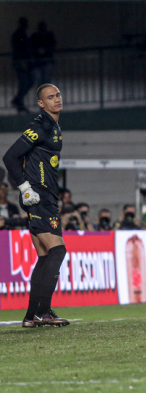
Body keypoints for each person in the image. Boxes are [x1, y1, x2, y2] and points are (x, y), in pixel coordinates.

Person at [2, 83, 69, 328]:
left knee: (44, 256)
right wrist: (24, 187)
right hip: (38, 195)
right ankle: (44, 313)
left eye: (58, 95)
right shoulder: (41, 125)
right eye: (50, 97)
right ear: (41, 103)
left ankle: (32, 316)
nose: (56, 100)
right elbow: (10, 156)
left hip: (44, 195)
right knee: (58, 251)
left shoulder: (53, 125)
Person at [10, 17, 33, 114]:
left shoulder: (19, 34)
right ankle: (18, 101)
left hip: (21, 61)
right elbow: (20, 48)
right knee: (25, 82)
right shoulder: (20, 34)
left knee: (25, 82)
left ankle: (19, 102)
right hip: (21, 61)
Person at [30, 21, 56, 88]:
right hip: (41, 61)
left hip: (43, 61)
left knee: (44, 79)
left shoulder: (36, 36)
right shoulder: (48, 35)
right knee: (43, 79)